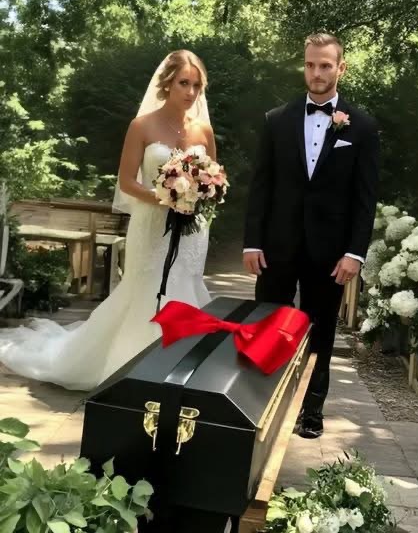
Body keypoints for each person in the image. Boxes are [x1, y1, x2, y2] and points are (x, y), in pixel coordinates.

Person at [0, 50, 214, 391]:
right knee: (146, 292)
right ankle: (133, 368)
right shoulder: (142, 126)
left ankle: (177, 373)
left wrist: (198, 195)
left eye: (196, 85)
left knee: (185, 289)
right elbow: (128, 182)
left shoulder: (203, 129)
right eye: (183, 83)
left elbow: (212, 177)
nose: (190, 92)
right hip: (151, 224)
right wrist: (165, 197)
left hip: (190, 232)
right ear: (167, 84)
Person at [243, 33, 379, 438]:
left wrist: (355, 252)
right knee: (267, 324)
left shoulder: (364, 127)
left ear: (341, 68)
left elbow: (365, 198)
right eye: (309, 65)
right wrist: (252, 241)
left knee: (321, 329)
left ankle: (311, 411)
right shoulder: (276, 120)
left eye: (324, 65)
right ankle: (257, 401)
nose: (316, 73)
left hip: (331, 251)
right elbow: (261, 186)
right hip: (277, 247)